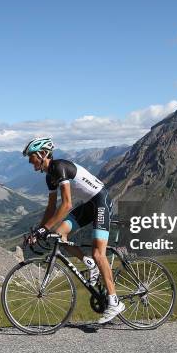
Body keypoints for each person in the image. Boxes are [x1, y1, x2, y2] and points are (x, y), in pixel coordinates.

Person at [22, 137, 125, 324]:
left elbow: (67, 204)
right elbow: (51, 208)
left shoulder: (59, 167)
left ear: (42, 154)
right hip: (89, 204)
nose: (30, 161)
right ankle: (89, 264)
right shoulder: (49, 177)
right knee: (59, 235)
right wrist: (38, 231)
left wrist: (44, 229)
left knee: (98, 253)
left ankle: (114, 301)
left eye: (31, 157)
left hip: (101, 202)